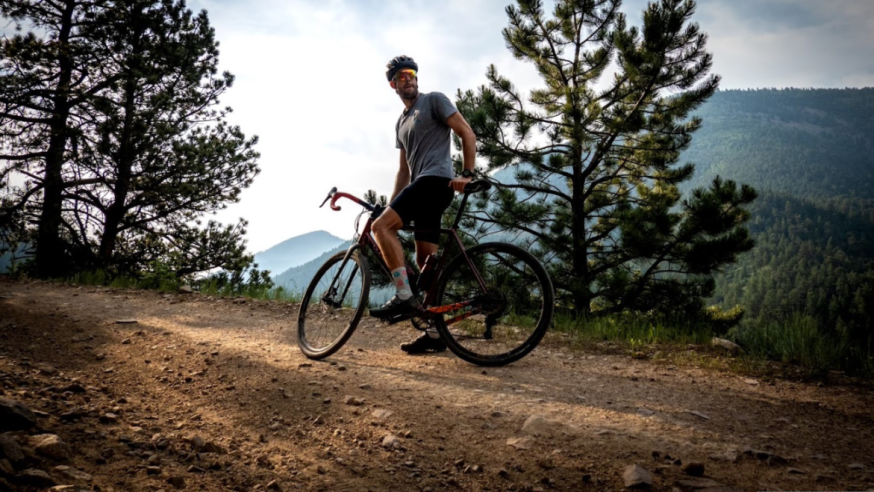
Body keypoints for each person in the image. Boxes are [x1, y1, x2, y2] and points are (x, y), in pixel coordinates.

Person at [369, 55, 478, 354]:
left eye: (411, 73)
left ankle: (404, 295)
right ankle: (435, 333)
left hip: (434, 182)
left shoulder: (434, 101)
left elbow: (467, 132)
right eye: (401, 76)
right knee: (425, 262)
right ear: (393, 84)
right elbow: (403, 171)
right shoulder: (401, 123)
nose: (407, 78)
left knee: (380, 229)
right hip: (422, 186)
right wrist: (391, 205)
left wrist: (467, 173)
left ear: (416, 78)